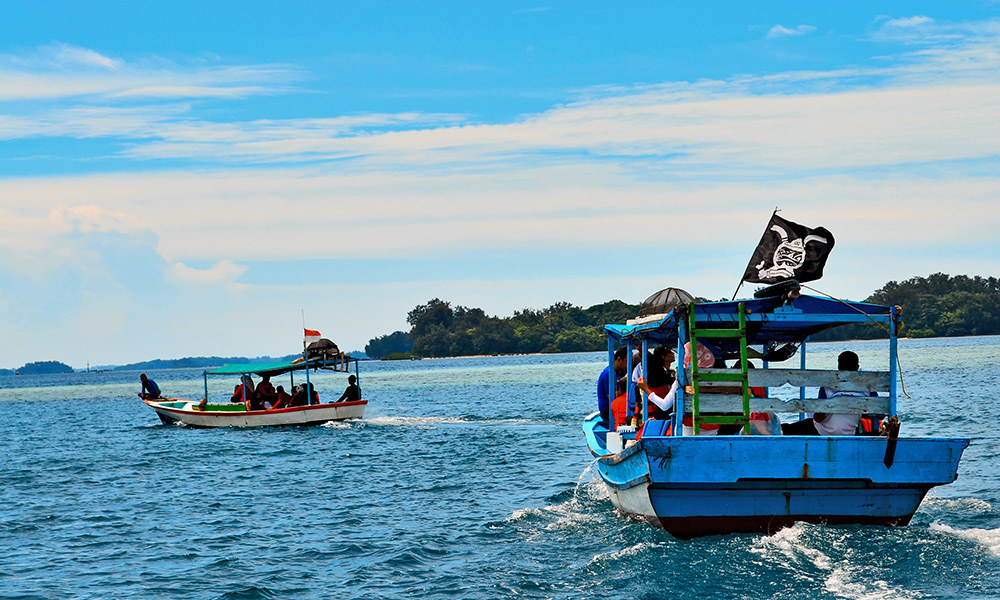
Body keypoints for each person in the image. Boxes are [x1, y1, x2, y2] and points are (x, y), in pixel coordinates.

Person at [781, 351, 870, 435]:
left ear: (839, 367)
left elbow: (818, 418)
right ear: (857, 367)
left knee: (792, 428)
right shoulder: (868, 387)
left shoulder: (828, 386)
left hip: (823, 431)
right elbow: (873, 415)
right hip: (852, 432)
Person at [597, 347, 628, 425]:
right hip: (607, 410)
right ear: (619, 359)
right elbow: (611, 396)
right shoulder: (609, 374)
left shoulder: (618, 372)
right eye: (626, 361)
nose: (628, 365)